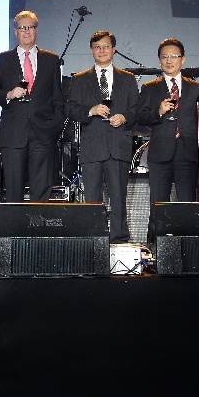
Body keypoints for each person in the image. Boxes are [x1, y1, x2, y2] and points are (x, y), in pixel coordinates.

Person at [65, 31, 140, 243]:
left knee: (118, 199)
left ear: (114, 49)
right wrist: (91, 110)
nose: (102, 50)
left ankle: (119, 240)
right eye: (97, 47)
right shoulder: (79, 79)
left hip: (118, 145)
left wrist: (124, 117)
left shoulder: (128, 78)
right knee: (92, 201)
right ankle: (94, 241)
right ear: (91, 50)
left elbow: (136, 110)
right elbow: (70, 109)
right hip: (92, 147)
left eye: (106, 46)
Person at [0, 10, 65, 202]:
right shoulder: (2, 60)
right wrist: (9, 94)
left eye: (30, 27)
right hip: (13, 134)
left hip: (43, 134)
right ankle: (15, 223)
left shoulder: (51, 60)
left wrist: (55, 126)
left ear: (37, 30)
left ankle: (38, 223)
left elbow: (58, 98)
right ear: (15, 32)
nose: (26, 31)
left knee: (42, 192)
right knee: (14, 192)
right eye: (22, 28)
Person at [136, 38, 199, 203]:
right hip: (160, 153)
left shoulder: (196, 88)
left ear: (183, 59)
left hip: (188, 152)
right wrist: (158, 112)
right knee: (159, 204)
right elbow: (140, 117)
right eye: (164, 57)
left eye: (173, 56)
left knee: (187, 204)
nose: (169, 60)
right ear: (159, 61)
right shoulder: (149, 88)